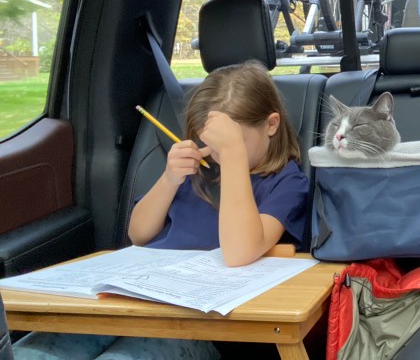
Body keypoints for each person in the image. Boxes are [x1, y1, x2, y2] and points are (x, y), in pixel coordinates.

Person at [13, 59, 309, 359]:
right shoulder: (197, 171)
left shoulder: (287, 183)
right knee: (33, 352)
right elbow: (139, 234)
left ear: (271, 125)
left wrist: (234, 157)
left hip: (208, 323)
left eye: (232, 143)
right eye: (210, 142)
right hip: (140, 301)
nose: (217, 154)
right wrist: (169, 178)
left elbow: (239, 253)